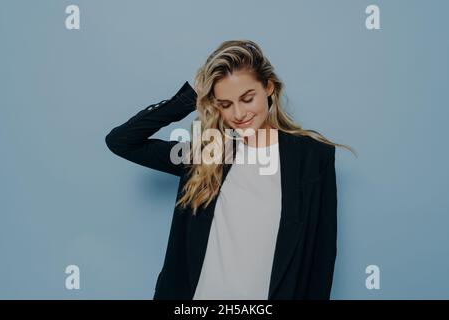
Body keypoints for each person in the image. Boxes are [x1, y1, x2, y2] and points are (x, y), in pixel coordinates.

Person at [105, 40, 356, 300]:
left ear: (269, 87)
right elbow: (122, 142)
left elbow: (322, 254)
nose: (239, 113)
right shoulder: (206, 154)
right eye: (225, 104)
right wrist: (189, 98)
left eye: (247, 98)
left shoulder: (313, 158)